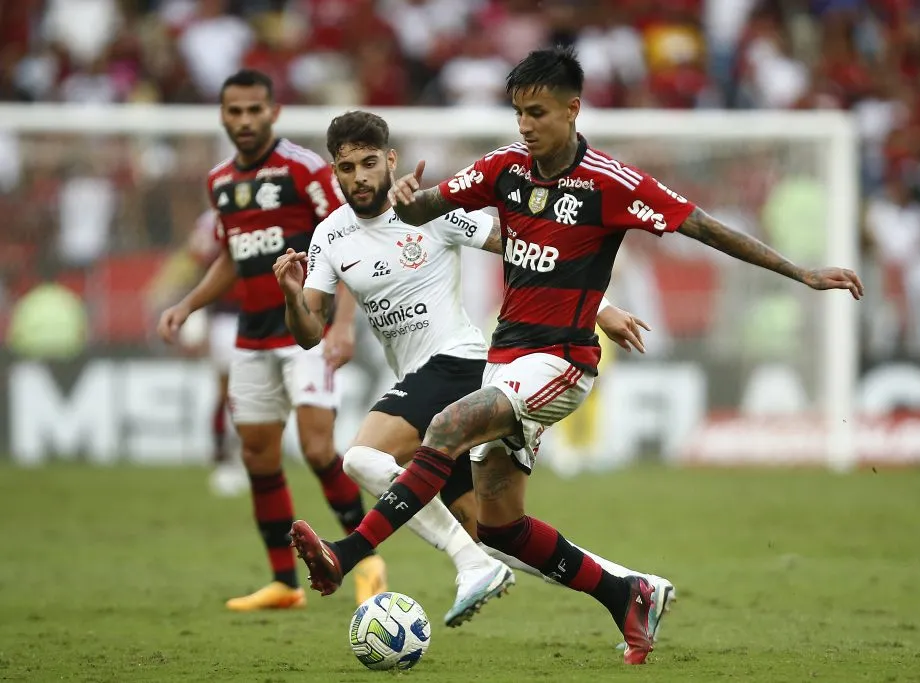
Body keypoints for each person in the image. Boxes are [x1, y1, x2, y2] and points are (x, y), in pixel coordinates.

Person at [290, 48, 864, 664]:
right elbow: (424, 211)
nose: (525, 126)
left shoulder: (612, 184)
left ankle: (345, 554)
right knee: (501, 529)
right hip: (506, 362)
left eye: (537, 112)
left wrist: (800, 272)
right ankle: (629, 594)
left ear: (573, 109)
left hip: (561, 363)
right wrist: (408, 198)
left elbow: (702, 227)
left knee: (445, 426)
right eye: (518, 113)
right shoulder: (504, 168)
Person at [273, 110, 675, 630]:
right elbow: (309, 332)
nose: (360, 177)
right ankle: (630, 590)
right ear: (335, 172)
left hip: (461, 362)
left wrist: (600, 307)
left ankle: (454, 565)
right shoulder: (330, 237)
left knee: (363, 458)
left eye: (370, 163)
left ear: (389, 160)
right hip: (416, 376)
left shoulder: (427, 210)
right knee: (495, 532)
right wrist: (289, 294)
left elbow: (526, 253)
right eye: (347, 168)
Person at [156, 69, 385, 612]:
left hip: (307, 330)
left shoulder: (304, 169)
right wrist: (188, 303)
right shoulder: (219, 182)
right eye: (234, 112)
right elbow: (234, 258)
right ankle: (285, 582)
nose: (244, 120)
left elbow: (348, 240)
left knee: (316, 447)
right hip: (250, 337)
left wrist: (346, 323)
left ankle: (365, 557)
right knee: (258, 457)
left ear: (273, 112)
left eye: (254, 110)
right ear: (223, 116)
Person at [148, 208, 248, 497]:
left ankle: (227, 457)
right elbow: (203, 263)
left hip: (229, 319)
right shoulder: (253, 211)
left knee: (231, 392)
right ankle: (230, 458)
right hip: (236, 317)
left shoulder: (209, 220)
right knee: (239, 393)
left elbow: (198, 260)